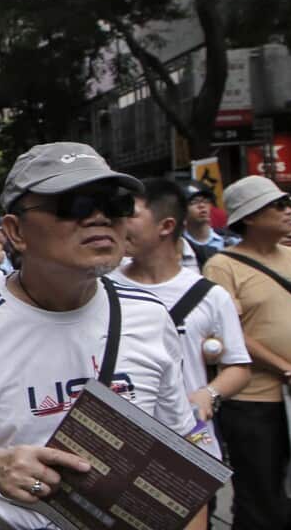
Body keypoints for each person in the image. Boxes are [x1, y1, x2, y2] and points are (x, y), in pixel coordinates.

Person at [0, 142, 193, 530]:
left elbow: (182, 455)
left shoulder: (150, 315)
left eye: (115, 203)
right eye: (74, 205)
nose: (99, 218)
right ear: (15, 231)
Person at [109, 178, 251, 530]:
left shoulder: (210, 295)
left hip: (188, 439)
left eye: (130, 214)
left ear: (166, 226)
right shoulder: (102, 287)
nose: (118, 223)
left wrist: (208, 392)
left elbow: (238, 366)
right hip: (119, 439)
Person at [202, 176, 291, 530]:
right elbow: (229, 332)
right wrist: (288, 369)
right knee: (262, 499)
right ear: (250, 216)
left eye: (288, 203)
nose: (289, 211)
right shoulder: (222, 265)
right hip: (254, 402)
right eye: (278, 205)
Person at [184, 182, 226, 268]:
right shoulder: (178, 244)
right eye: (194, 202)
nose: (202, 205)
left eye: (206, 201)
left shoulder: (230, 240)